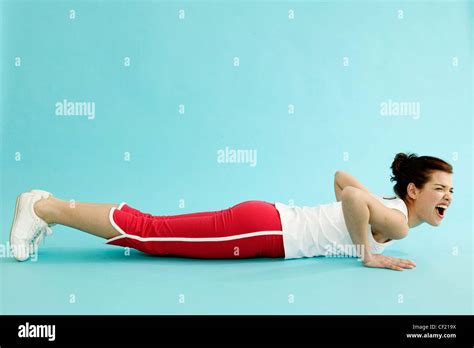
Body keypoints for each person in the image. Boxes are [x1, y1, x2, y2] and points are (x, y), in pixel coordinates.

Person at [9, 152, 453, 271]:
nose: (447, 198)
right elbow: (351, 197)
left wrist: (350, 225)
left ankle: (47, 204)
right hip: (262, 232)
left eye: (451, 191)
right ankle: (44, 207)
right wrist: (368, 253)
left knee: (154, 229)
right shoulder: (397, 221)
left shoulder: (390, 208)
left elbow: (341, 179)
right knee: (149, 234)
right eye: (439, 189)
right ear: (413, 191)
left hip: (264, 221)